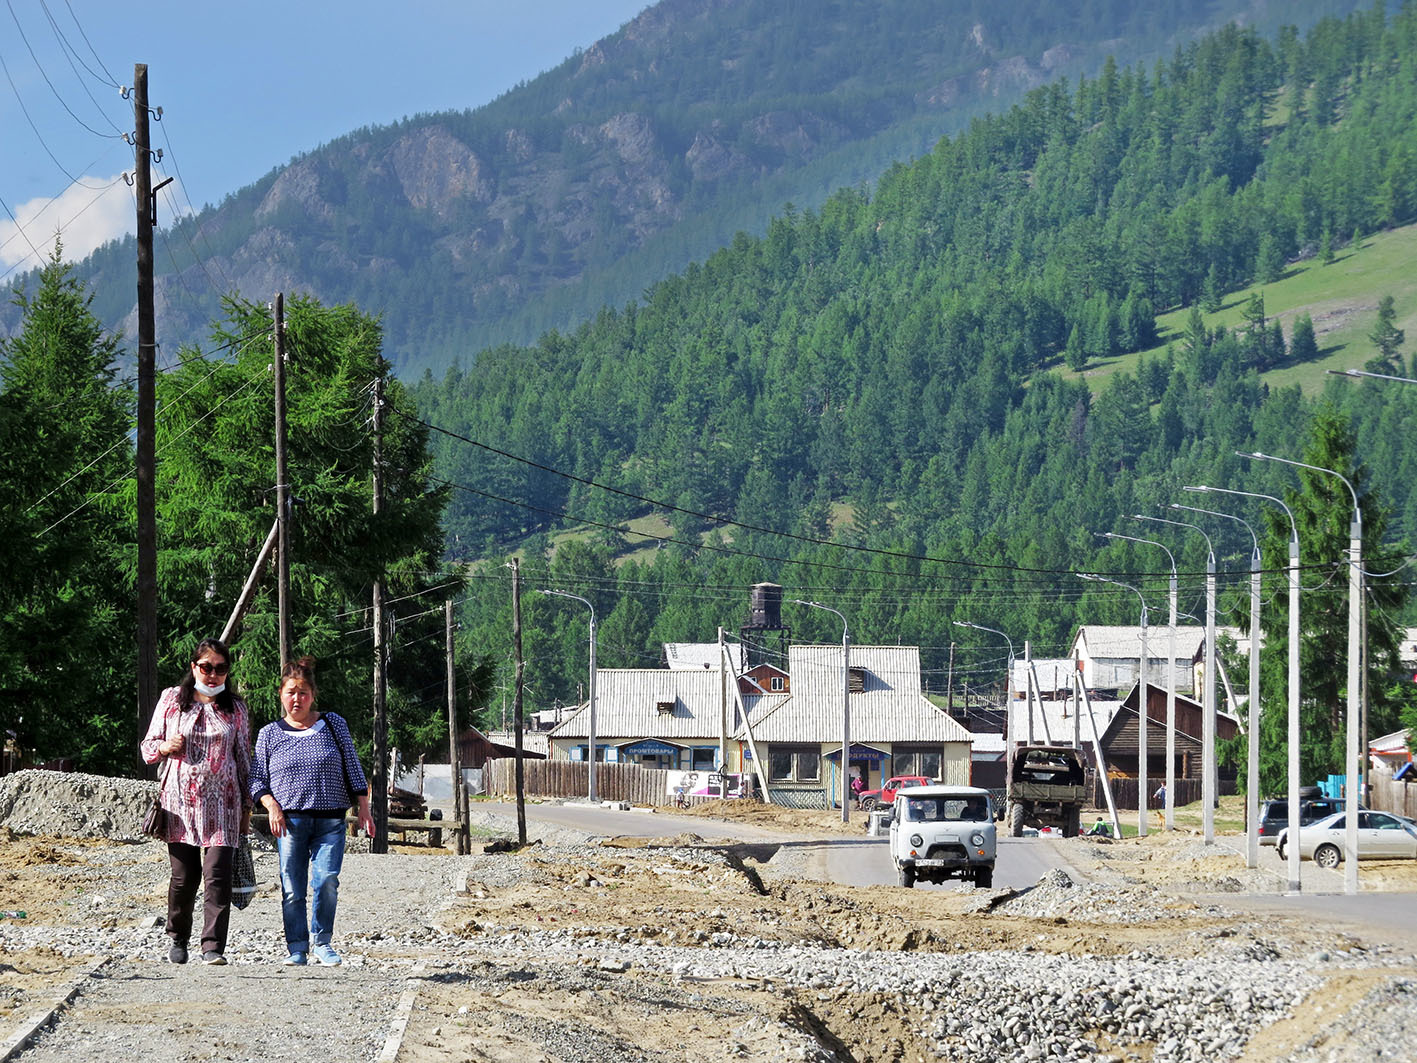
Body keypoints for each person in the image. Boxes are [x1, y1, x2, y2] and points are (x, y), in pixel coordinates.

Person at [250, 657, 375, 967]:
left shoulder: (333, 724)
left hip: (330, 821)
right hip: (289, 823)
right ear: (280, 693)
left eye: (303, 692)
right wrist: (271, 805)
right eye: (291, 692)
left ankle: (322, 942)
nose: (297, 699)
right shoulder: (269, 734)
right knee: (292, 889)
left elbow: (352, 767)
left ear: (313, 695)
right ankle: (296, 947)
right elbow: (256, 779)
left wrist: (364, 809)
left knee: (327, 880)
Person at [140, 637, 252, 966]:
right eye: (206, 667)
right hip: (179, 804)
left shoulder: (237, 708)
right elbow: (148, 747)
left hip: (224, 805)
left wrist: (248, 804)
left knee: (217, 874)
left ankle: (213, 946)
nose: (213, 675)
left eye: (221, 669)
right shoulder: (172, 700)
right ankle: (178, 937)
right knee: (183, 877)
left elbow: (244, 758)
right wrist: (164, 747)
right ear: (194, 667)